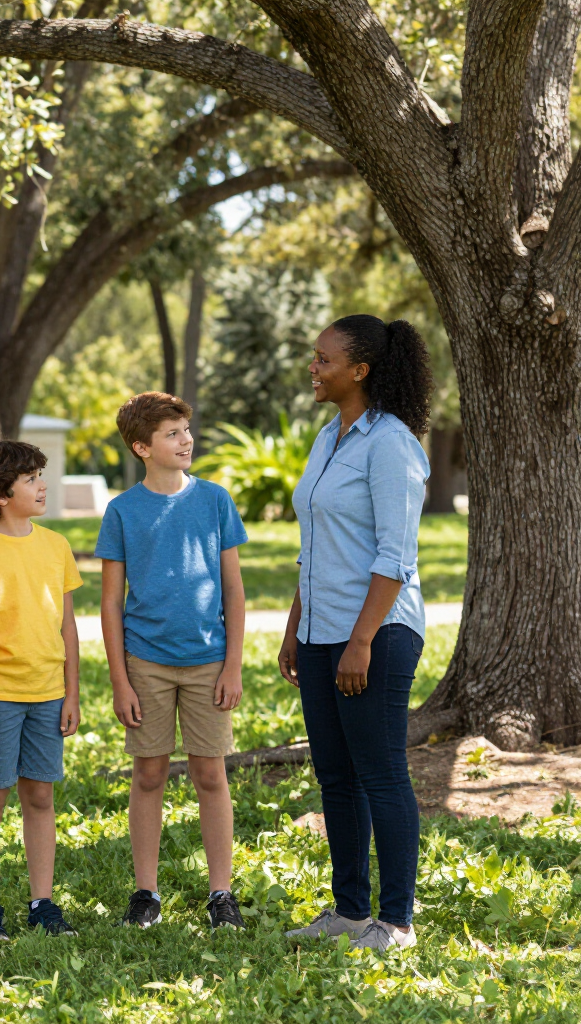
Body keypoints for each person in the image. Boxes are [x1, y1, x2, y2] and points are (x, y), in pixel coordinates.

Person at [279, 315, 432, 953]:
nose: (313, 369)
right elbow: (316, 546)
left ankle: (395, 922)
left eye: (323, 360)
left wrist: (361, 641)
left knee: (381, 773)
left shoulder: (391, 443)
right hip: (320, 632)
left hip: (377, 632)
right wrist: (295, 628)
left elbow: (394, 556)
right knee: (335, 776)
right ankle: (348, 912)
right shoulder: (327, 438)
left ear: (360, 370)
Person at [96, 392, 248, 931]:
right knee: (149, 773)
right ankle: (146, 893)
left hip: (209, 660)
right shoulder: (122, 511)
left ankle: (222, 894)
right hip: (147, 663)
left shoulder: (215, 501)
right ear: (142, 447)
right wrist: (121, 680)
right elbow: (110, 602)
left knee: (211, 774)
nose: (185, 440)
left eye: (186, 429)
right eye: (171, 433)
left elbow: (233, 588)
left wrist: (233, 664)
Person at [0, 441, 83, 941]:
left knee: (40, 796)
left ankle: (43, 903)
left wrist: (72, 693)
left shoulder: (55, 546)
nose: (42, 486)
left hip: (48, 693)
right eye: (31, 478)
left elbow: (68, 627)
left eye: (41, 476)